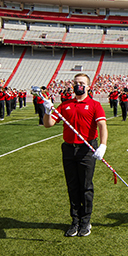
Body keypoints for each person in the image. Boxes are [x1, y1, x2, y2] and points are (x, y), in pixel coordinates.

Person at [42, 73, 108, 237]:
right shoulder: (65, 105)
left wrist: (103, 145)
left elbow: (102, 125)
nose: (78, 85)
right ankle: (75, 221)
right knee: (72, 186)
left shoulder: (94, 104)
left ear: (88, 86)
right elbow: (48, 124)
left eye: (82, 83)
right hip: (69, 149)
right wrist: (47, 110)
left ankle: (86, 222)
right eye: (76, 83)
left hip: (87, 149)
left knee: (85, 186)